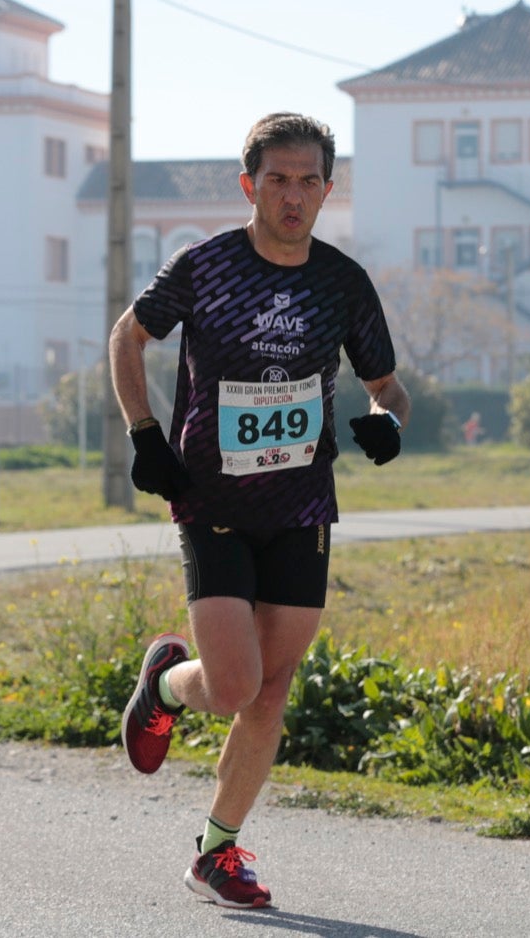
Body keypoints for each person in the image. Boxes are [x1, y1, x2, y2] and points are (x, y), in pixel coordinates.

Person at [109, 112, 410, 909]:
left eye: (308, 180)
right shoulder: (205, 267)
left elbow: (387, 385)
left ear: (328, 190)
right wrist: (144, 434)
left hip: (302, 506)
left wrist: (388, 421)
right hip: (211, 501)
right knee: (236, 686)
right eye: (278, 179)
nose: (293, 196)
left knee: (271, 691)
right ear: (249, 185)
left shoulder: (342, 282)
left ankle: (217, 852)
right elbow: (127, 338)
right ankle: (167, 684)